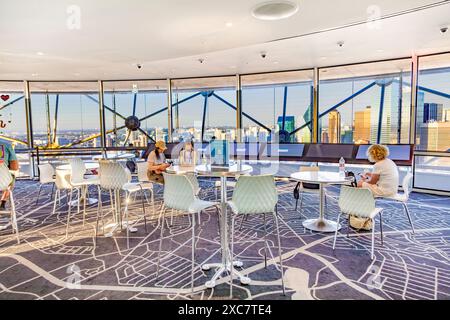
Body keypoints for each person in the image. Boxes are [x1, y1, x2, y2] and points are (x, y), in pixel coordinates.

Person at [0, 142, 19, 209]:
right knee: (11, 178)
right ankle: (2, 202)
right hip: (3, 182)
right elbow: (15, 167)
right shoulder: (6, 145)